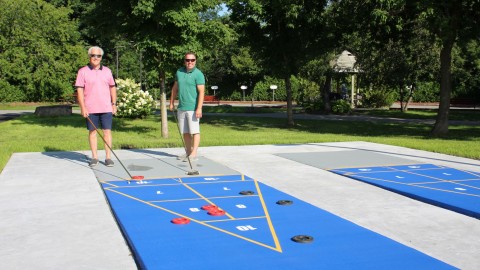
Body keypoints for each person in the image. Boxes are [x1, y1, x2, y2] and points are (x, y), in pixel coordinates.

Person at [74, 46, 117, 167]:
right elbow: (79, 90)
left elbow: (112, 87)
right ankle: (94, 157)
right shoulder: (82, 71)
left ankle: (108, 158)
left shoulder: (107, 71)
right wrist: (83, 107)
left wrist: (114, 104)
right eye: (93, 55)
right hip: (90, 108)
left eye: (98, 56)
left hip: (106, 107)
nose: (96, 58)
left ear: (101, 57)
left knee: (107, 132)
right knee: (93, 132)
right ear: (89, 57)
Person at [169, 52, 205, 161]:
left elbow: (202, 92)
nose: (190, 62)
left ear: (195, 61)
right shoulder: (179, 72)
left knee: (194, 131)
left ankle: (194, 154)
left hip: (193, 108)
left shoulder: (198, 74)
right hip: (182, 107)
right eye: (187, 60)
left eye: (192, 60)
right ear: (184, 61)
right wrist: (171, 102)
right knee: (185, 132)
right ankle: (188, 152)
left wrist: (199, 108)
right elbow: (175, 88)